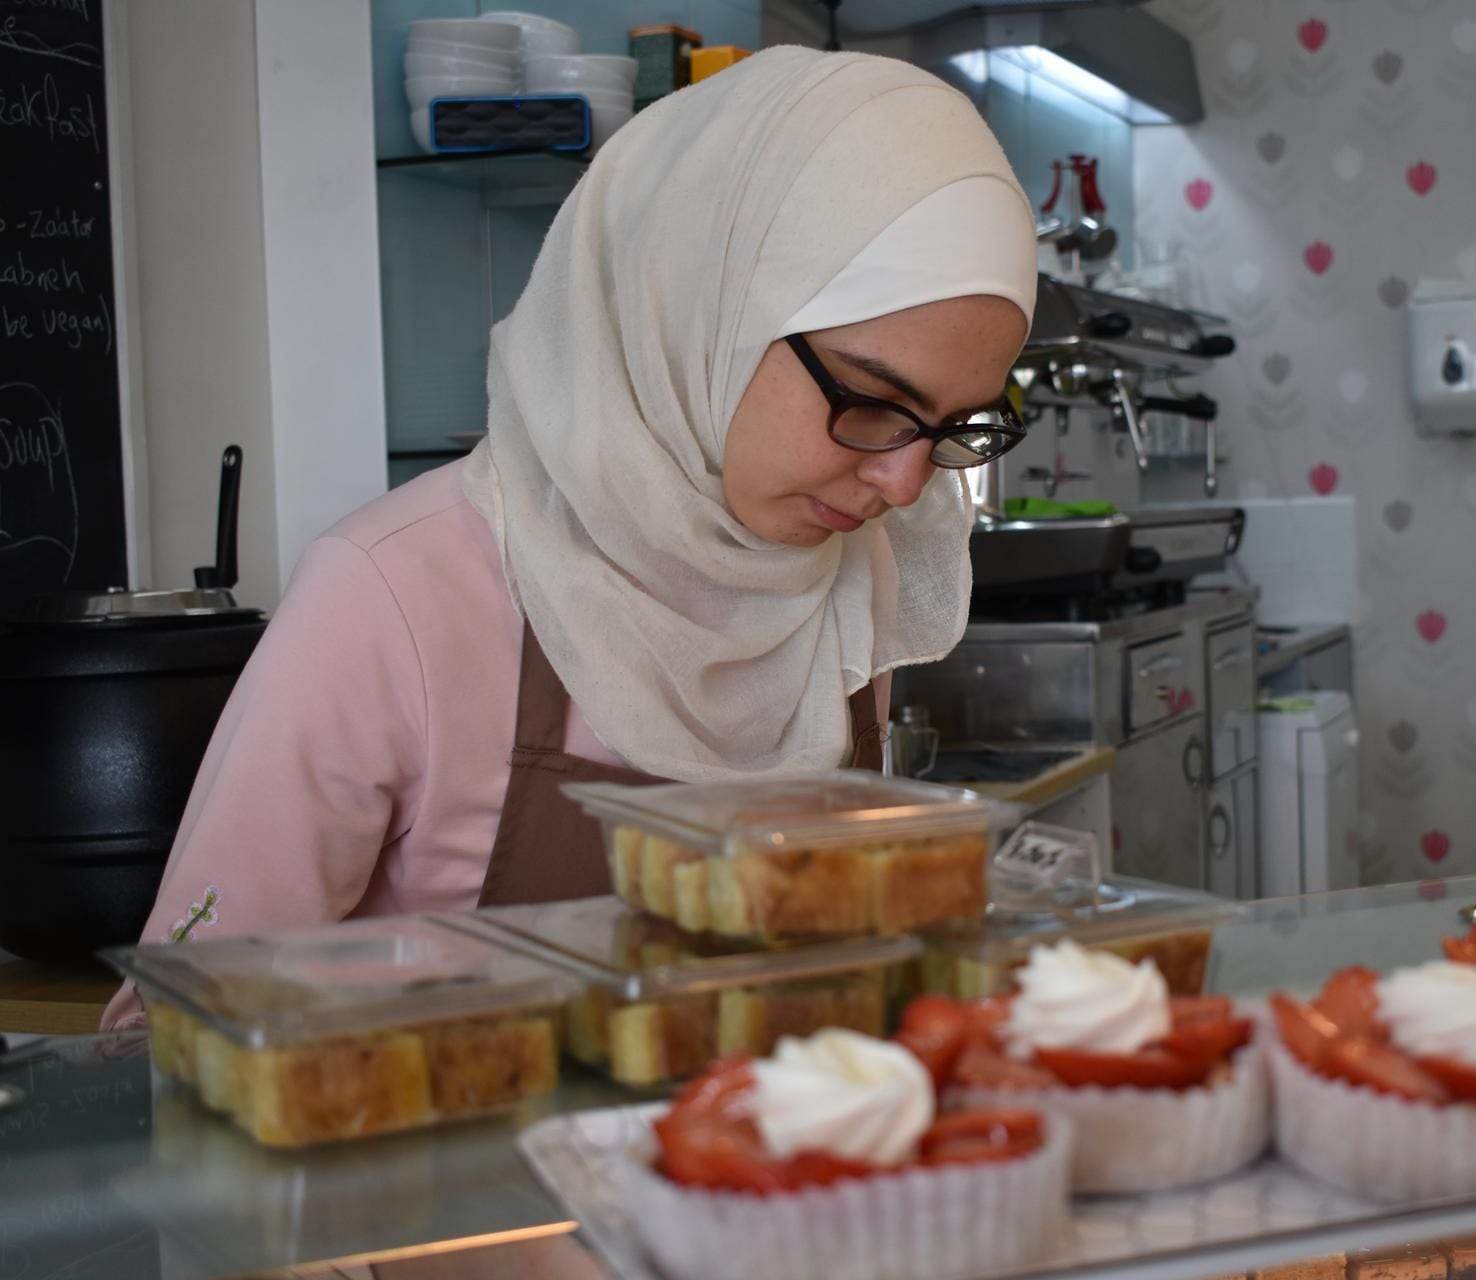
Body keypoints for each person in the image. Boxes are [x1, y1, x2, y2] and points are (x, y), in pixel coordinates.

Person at [101, 46, 1037, 1028]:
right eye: (875, 400)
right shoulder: (397, 595)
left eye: (954, 427)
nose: (900, 481)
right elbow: (174, 1030)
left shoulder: (841, 580)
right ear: (701, 300)